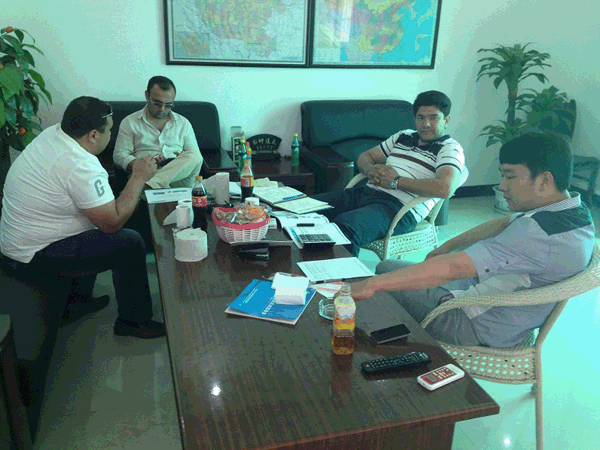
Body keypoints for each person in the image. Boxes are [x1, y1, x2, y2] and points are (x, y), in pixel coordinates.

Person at [351, 131, 595, 348]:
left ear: (544, 180)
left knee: (379, 279)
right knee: (386, 268)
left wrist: (374, 285)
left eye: (510, 177)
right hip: (497, 307)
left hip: (470, 321)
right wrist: (448, 245)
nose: (502, 186)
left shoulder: (534, 234)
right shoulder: (573, 211)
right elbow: (505, 222)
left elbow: (453, 268)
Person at [0, 96, 166, 339]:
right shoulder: (80, 165)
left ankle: (77, 302)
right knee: (129, 243)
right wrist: (139, 177)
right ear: (93, 135)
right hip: (33, 256)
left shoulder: (53, 134)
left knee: (91, 219)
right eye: (109, 130)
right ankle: (133, 321)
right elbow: (111, 223)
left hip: (18, 241)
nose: (111, 135)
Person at [313, 90, 466, 256]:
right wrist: (371, 170)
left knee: (346, 226)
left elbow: (446, 188)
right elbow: (366, 156)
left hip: (399, 208)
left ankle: (338, 272)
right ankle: (302, 262)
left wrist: (396, 181)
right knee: (305, 208)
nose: (426, 124)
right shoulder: (403, 136)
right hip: (366, 192)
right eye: (421, 117)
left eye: (434, 118)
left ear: (446, 120)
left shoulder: (449, 148)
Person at [113, 75, 203, 189]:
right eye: (157, 104)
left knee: (195, 155)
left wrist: (176, 161)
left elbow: (195, 158)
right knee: (154, 181)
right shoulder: (130, 122)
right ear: (147, 96)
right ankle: (155, 184)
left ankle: (150, 186)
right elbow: (119, 155)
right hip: (146, 174)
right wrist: (142, 165)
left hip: (178, 178)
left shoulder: (183, 123)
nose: (162, 109)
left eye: (168, 105)